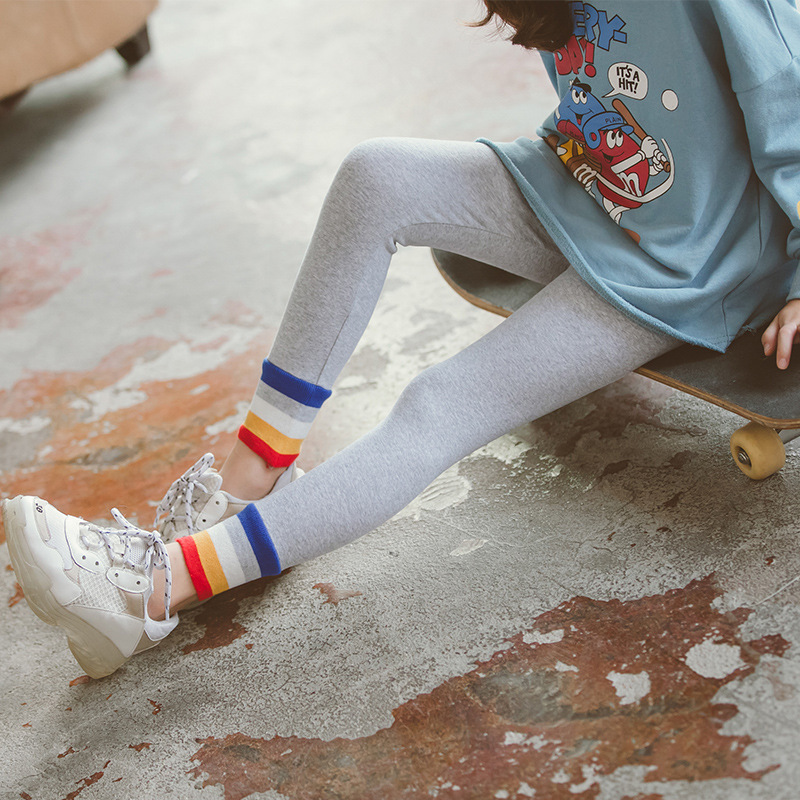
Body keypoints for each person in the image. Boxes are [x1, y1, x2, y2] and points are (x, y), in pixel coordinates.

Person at [4, 0, 800, 678]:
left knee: (441, 402)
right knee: (376, 175)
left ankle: (152, 591)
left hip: (685, 266)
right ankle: (250, 480)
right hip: (582, 188)